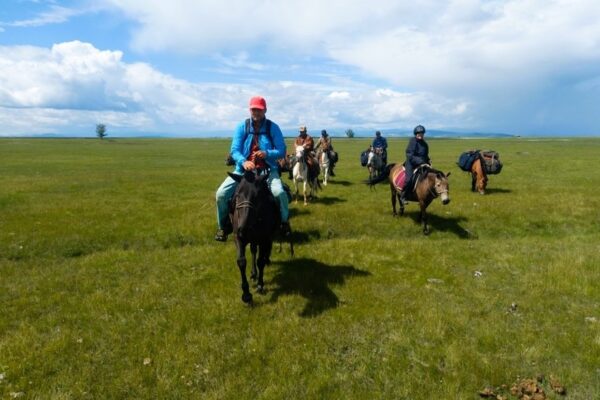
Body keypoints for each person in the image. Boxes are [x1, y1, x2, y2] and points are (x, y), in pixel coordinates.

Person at [214, 96, 290, 241]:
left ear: (265, 110)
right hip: (243, 171)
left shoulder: (272, 127)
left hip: (267, 170)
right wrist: (244, 162)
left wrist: (267, 153)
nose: (256, 112)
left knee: (279, 192)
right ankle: (223, 227)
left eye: (259, 110)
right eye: (253, 109)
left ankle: (284, 223)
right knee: (221, 194)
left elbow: (281, 150)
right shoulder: (241, 127)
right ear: (250, 110)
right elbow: (235, 150)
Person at [400, 124, 431, 203]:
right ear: (416, 134)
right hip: (411, 163)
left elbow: (425, 155)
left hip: (423, 164)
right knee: (409, 179)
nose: (420, 135)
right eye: (418, 133)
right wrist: (420, 162)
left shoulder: (425, 144)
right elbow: (409, 154)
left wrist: (428, 162)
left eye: (421, 133)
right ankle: (403, 196)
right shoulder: (412, 141)